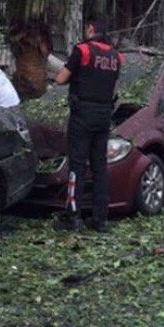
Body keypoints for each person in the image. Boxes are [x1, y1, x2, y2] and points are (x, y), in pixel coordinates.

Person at [55, 17, 122, 233]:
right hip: (104, 115)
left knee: (77, 165)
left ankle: (73, 217)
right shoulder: (116, 56)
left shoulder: (82, 50)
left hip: (82, 114)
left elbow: (61, 79)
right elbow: (113, 86)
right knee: (100, 167)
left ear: (91, 29)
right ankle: (100, 219)